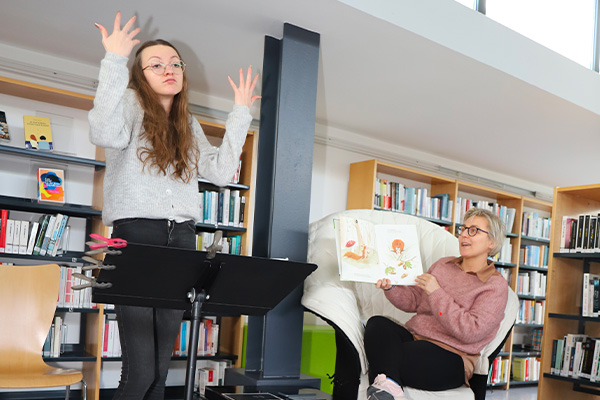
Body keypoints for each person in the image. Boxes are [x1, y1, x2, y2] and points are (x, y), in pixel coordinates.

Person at [88, 12, 259, 400]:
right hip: (135, 238)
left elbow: (220, 172)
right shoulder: (129, 105)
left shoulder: (188, 124)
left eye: (175, 64)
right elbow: (102, 131)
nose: (169, 69)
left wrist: (240, 114)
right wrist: (114, 59)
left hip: (181, 241)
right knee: (140, 372)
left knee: (161, 374)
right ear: (141, 75)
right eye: (156, 64)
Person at [364, 207, 509, 400]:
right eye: (463, 229)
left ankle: (386, 384)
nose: (464, 235)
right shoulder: (443, 265)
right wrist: (391, 288)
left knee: (389, 354)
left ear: (492, 242)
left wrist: (436, 292)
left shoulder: (495, 285)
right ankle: (389, 389)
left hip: (453, 355)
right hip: (415, 338)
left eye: (473, 230)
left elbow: (471, 331)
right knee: (377, 324)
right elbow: (415, 300)